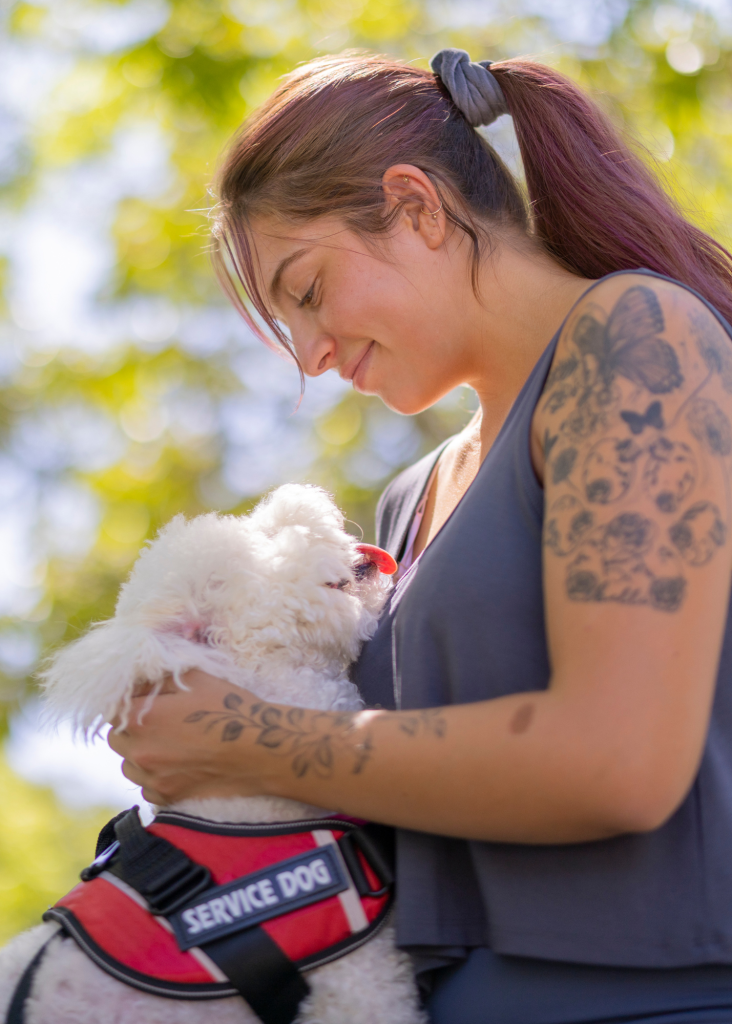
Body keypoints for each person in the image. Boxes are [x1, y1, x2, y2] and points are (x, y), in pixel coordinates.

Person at [109, 49, 732, 1023]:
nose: (310, 356)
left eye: (307, 290)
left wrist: (244, 739)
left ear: (417, 207)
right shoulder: (411, 498)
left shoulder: (637, 339)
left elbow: (619, 764)